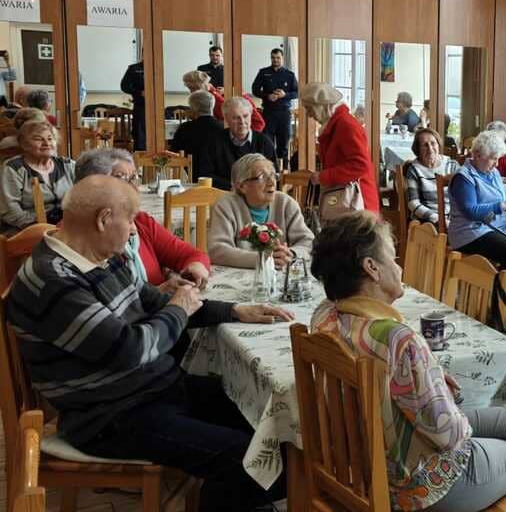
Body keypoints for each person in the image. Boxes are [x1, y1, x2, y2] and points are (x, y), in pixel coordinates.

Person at [5, 175, 292, 512]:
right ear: (103, 219)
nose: (133, 231)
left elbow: (154, 303)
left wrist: (235, 311)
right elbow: (129, 350)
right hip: (109, 417)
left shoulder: (103, 257)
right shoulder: (51, 280)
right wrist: (178, 307)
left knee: (273, 430)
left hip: (154, 390)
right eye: (130, 220)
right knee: (247, 461)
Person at [308, 213, 506, 512]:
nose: (398, 266)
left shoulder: (326, 316)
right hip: (413, 482)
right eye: (392, 257)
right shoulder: (398, 340)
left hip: (361, 459)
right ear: (372, 268)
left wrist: (431, 378)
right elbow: (448, 435)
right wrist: (436, 388)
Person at [75, 148, 211, 292]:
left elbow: (191, 254)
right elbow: (112, 303)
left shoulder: (141, 221)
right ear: (93, 187)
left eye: (134, 178)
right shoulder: (81, 237)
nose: (134, 187)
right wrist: (159, 292)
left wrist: (196, 266)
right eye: (121, 179)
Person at [448, 131, 506, 322]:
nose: (496, 164)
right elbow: (470, 211)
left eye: (497, 159)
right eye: (492, 159)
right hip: (470, 233)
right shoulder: (463, 177)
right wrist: (502, 207)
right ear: (476, 156)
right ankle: (504, 312)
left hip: (495, 228)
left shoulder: (493, 172)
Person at [209, 153, 313, 270]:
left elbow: (308, 242)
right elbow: (217, 250)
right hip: (238, 279)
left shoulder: (285, 203)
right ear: (242, 186)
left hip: (280, 278)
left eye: (273, 175)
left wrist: (291, 253)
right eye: (262, 177)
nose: (272, 182)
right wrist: (264, 259)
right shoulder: (226, 205)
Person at [300, 82, 380, 213]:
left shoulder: (346, 125)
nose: (309, 115)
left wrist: (323, 176)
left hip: (357, 201)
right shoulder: (337, 124)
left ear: (322, 106)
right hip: (345, 198)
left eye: (309, 109)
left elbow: (360, 165)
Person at [0, 120, 75, 231]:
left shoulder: (67, 165)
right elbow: (10, 211)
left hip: (65, 225)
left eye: (50, 139)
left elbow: (85, 194)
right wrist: (43, 227)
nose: (46, 143)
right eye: (38, 139)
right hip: (25, 229)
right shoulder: (13, 169)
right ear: (24, 144)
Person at [209, 97, 277, 190]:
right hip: (225, 196)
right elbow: (206, 175)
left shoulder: (264, 142)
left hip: (257, 196)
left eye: (245, 116)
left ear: (251, 116)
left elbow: (273, 175)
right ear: (226, 119)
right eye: (236, 118)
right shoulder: (214, 142)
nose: (242, 122)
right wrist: (235, 187)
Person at [403, 128, 460, 226]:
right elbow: (413, 204)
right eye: (425, 145)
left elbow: (462, 197)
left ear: (438, 145)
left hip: (453, 218)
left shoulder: (452, 165)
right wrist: (439, 220)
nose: (430, 148)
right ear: (418, 149)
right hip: (426, 220)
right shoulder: (414, 169)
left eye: (433, 143)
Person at [251, 48, 299, 154]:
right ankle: (271, 168)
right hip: (269, 112)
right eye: (273, 57)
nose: (275, 60)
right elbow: (255, 90)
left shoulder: (289, 74)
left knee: (284, 142)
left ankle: (285, 168)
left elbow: (297, 92)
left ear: (282, 58)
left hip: (284, 112)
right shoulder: (263, 72)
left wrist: (284, 95)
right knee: (267, 142)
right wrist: (267, 96)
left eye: (278, 58)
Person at [170, 90, 226, 181]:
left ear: (193, 108)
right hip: (218, 180)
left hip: (191, 178)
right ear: (213, 105)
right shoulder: (223, 128)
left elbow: (175, 154)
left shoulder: (185, 128)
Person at [184, 70, 265, 132]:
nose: (191, 92)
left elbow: (258, 123)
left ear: (197, 87)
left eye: (191, 89)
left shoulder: (213, 98)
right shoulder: (212, 94)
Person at [120, 60, 146, 150]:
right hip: (140, 107)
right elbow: (124, 86)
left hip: (155, 107)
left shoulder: (158, 67)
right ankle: (138, 160)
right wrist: (139, 92)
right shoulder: (134, 68)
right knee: (139, 136)